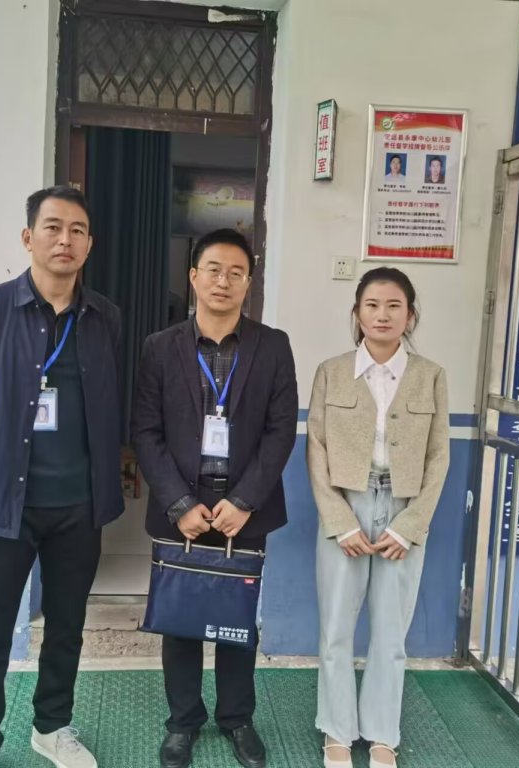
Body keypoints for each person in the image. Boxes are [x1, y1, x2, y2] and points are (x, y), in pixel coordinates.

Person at [0, 185, 124, 768]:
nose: (64, 239)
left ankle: (52, 727)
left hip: (79, 505)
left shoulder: (104, 318)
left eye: (77, 230)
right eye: (52, 227)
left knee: (67, 627)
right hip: (6, 505)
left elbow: (108, 401)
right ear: (29, 237)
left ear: (89, 244)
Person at [132, 228, 298, 768]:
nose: (223, 281)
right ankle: (182, 722)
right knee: (179, 620)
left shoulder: (273, 346)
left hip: (242, 510)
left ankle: (237, 719)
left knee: (236, 622)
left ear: (249, 282)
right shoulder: (160, 348)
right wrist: (179, 503)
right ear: (193, 277)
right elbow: (146, 431)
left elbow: (280, 431)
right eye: (213, 270)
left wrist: (246, 500)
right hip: (181, 509)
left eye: (235, 272)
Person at [306, 268, 449, 768]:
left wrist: (410, 526)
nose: (382, 315)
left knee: (391, 633)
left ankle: (383, 733)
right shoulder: (331, 371)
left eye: (394, 306)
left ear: (410, 315)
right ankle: (337, 731)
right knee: (336, 630)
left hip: (402, 508)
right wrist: (339, 520)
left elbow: (438, 457)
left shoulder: (431, 375)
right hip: (346, 505)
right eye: (371, 305)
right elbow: (317, 449)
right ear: (357, 313)